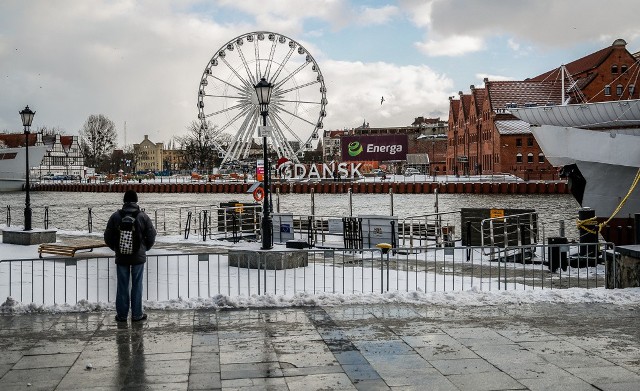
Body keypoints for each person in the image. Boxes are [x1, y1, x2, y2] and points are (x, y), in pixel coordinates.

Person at [104, 190, 156, 322]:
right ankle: (137, 315)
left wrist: (117, 249)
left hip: (121, 256)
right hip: (138, 257)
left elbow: (108, 237)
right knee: (137, 285)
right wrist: (144, 248)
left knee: (122, 285)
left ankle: (121, 315)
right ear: (136, 201)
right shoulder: (142, 216)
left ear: (124, 201)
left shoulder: (116, 216)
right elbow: (151, 235)